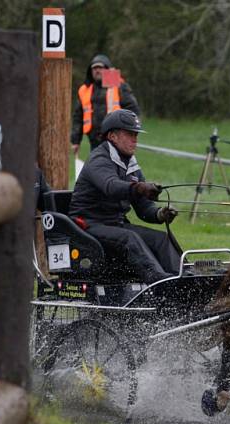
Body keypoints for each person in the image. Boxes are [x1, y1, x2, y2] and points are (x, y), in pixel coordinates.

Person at [69, 109, 179, 284]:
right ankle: (161, 283)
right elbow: (111, 186)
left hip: (116, 226)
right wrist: (140, 188)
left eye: (136, 134)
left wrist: (159, 214)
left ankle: (185, 278)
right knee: (130, 238)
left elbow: (143, 209)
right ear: (113, 136)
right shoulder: (99, 159)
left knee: (161, 239)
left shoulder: (130, 163)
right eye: (130, 134)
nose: (135, 139)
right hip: (89, 226)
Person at [71, 54, 141, 155]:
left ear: (108, 69)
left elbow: (133, 110)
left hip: (116, 140)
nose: (97, 70)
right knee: (97, 168)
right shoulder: (84, 90)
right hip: (94, 141)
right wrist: (75, 140)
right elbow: (78, 116)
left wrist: (130, 134)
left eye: (100, 67)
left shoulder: (119, 86)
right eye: (94, 68)